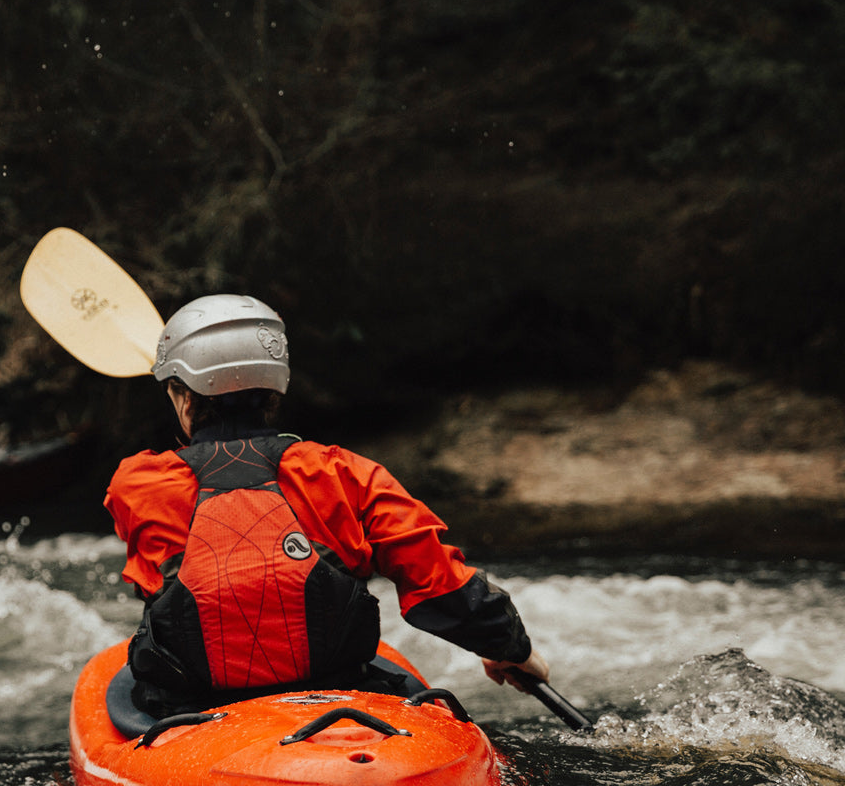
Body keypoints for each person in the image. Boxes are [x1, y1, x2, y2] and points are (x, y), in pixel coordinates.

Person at [104, 294, 550, 719]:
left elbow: (158, 577)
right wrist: (512, 650)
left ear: (184, 398)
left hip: (192, 705)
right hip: (337, 693)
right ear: (276, 388)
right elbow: (439, 584)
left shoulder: (137, 483)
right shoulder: (346, 473)